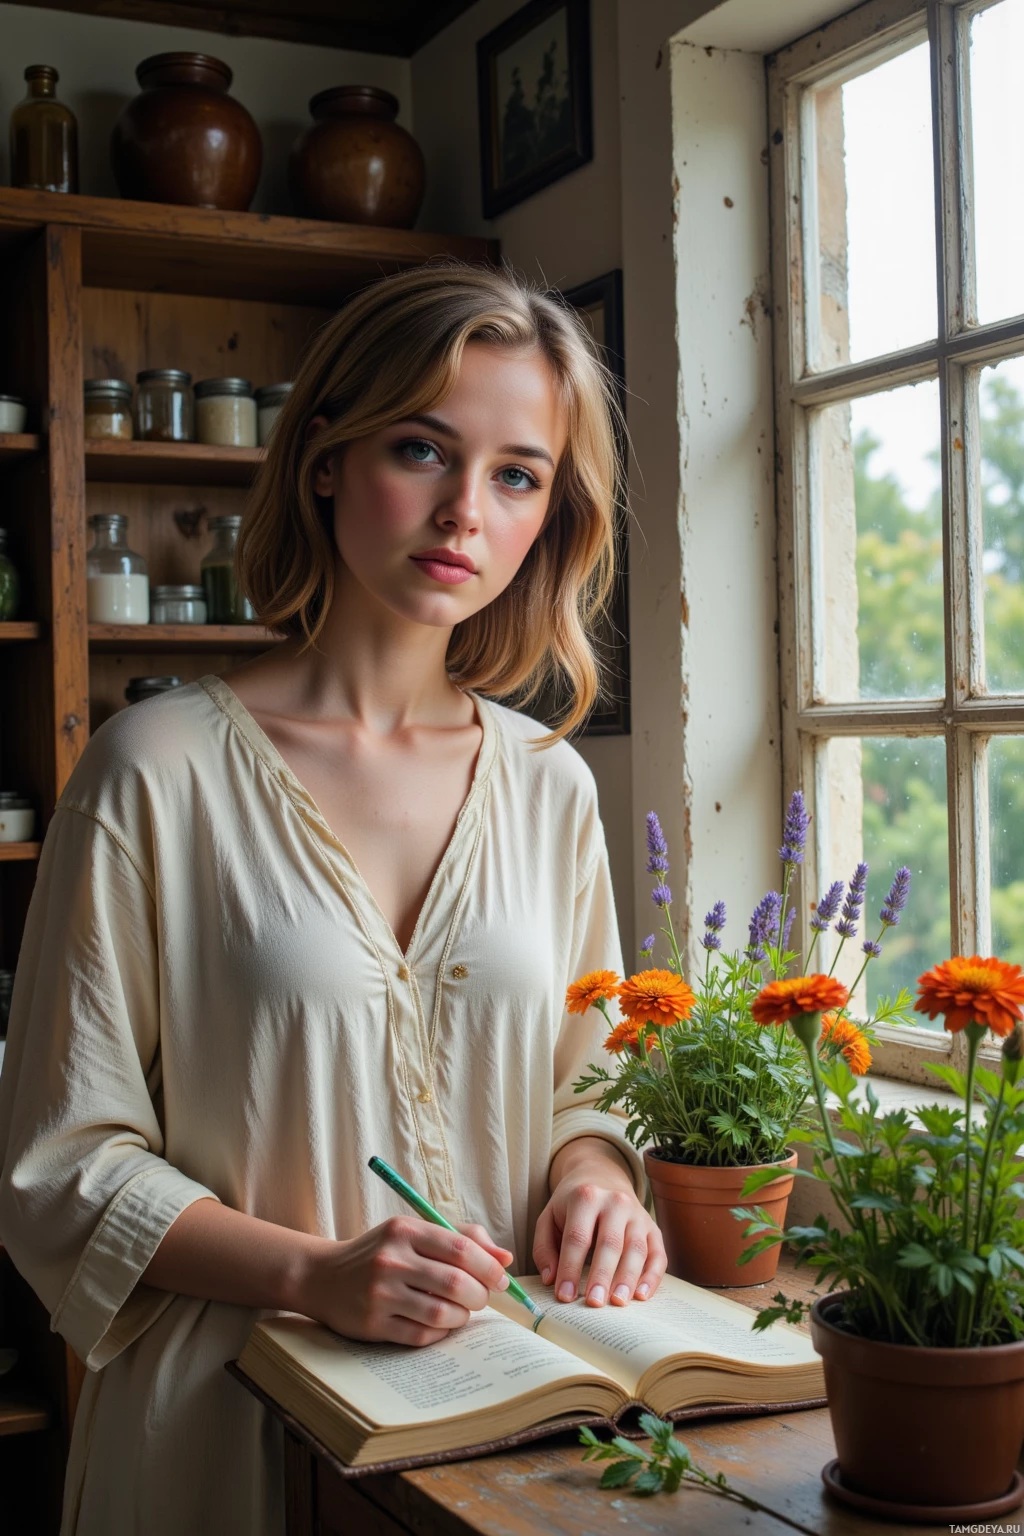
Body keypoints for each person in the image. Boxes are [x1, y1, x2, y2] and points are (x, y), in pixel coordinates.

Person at [0, 263, 666, 1536]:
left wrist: (598, 1181)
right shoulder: (153, 772)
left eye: (518, 474)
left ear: (550, 516)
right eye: (423, 449)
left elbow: (587, 1087)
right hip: (220, 1430)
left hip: (498, 1443)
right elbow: (58, 1162)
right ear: (321, 458)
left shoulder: (549, 787)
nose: (465, 510)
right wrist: (314, 1272)